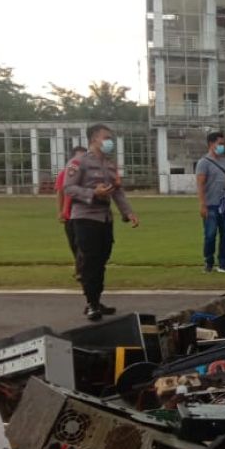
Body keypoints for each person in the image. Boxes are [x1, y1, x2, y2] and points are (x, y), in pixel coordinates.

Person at [64, 124, 140, 321]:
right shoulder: (78, 162)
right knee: (90, 261)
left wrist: (128, 212)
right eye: (106, 137)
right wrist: (92, 193)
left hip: (104, 218)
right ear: (94, 139)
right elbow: (68, 188)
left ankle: (96, 298)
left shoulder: (109, 164)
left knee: (101, 260)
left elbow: (117, 191)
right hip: (85, 218)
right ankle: (91, 303)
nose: (109, 142)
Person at [195, 131, 225, 274]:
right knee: (210, 235)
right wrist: (202, 204)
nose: (222, 147)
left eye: (223, 144)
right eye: (220, 144)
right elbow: (200, 184)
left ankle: (223, 263)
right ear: (211, 144)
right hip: (210, 204)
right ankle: (208, 262)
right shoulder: (203, 163)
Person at [55, 146, 87, 281]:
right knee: (73, 244)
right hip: (69, 214)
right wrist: (61, 211)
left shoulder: (88, 174)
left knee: (82, 244)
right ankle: (81, 267)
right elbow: (60, 192)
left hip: (84, 214)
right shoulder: (65, 173)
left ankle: (81, 271)